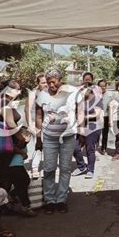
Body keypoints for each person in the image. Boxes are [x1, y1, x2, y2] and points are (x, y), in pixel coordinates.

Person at [36, 68, 77, 214]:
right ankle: (50, 200)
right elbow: (39, 115)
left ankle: (61, 200)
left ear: (60, 80)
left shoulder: (71, 94)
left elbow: (78, 111)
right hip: (49, 138)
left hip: (68, 137)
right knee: (49, 169)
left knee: (65, 169)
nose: (51, 85)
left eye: (54, 81)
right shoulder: (42, 95)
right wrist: (38, 137)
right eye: (48, 82)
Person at [0, 80, 36, 217]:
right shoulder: (4, 104)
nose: (18, 93)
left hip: (5, 145)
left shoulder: (2, 102)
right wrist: (21, 138)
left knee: (6, 178)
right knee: (21, 178)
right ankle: (23, 205)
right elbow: (10, 124)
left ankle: (1, 206)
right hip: (6, 146)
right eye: (17, 90)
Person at [75, 73, 103, 179]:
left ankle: (90, 170)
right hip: (80, 127)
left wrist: (83, 117)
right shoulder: (79, 101)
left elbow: (97, 113)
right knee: (75, 147)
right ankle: (81, 166)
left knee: (90, 149)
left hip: (93, 127)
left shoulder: (97, 100)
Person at [26, 73, 48, 178]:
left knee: (49, 146)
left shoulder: (50, 93)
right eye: (43, 82)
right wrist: (30, 124)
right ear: (38, 83)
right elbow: (28, 110)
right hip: (36, 123)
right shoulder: (33, 93)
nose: (46, 84)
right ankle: (35, 168)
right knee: (37, 145)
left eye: (46, 82)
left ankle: (48, 167)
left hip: (48, 123)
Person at [98, 79, 111, 155]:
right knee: (96, 134)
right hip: (97, 117)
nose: (102, 87)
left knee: (105, 134)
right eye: (100, 86)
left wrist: (110, 119)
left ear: (106, 86)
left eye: (104, 86)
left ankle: (103, 148)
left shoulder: (109, 95)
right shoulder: (94, 95)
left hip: (106, 117)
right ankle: (95, 149)